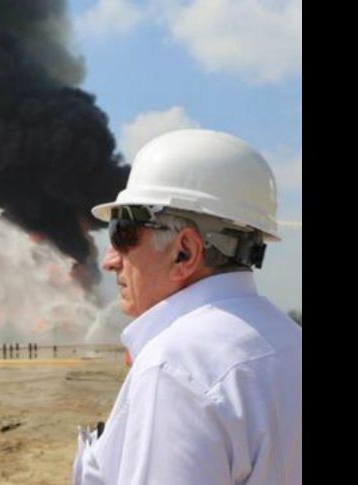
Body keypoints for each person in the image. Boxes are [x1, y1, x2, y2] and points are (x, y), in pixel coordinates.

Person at [72, 129, 301, 484]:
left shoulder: (175, 369)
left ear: (185, 252)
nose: (110, 260)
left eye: (123, 233)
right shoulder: (289, 341)